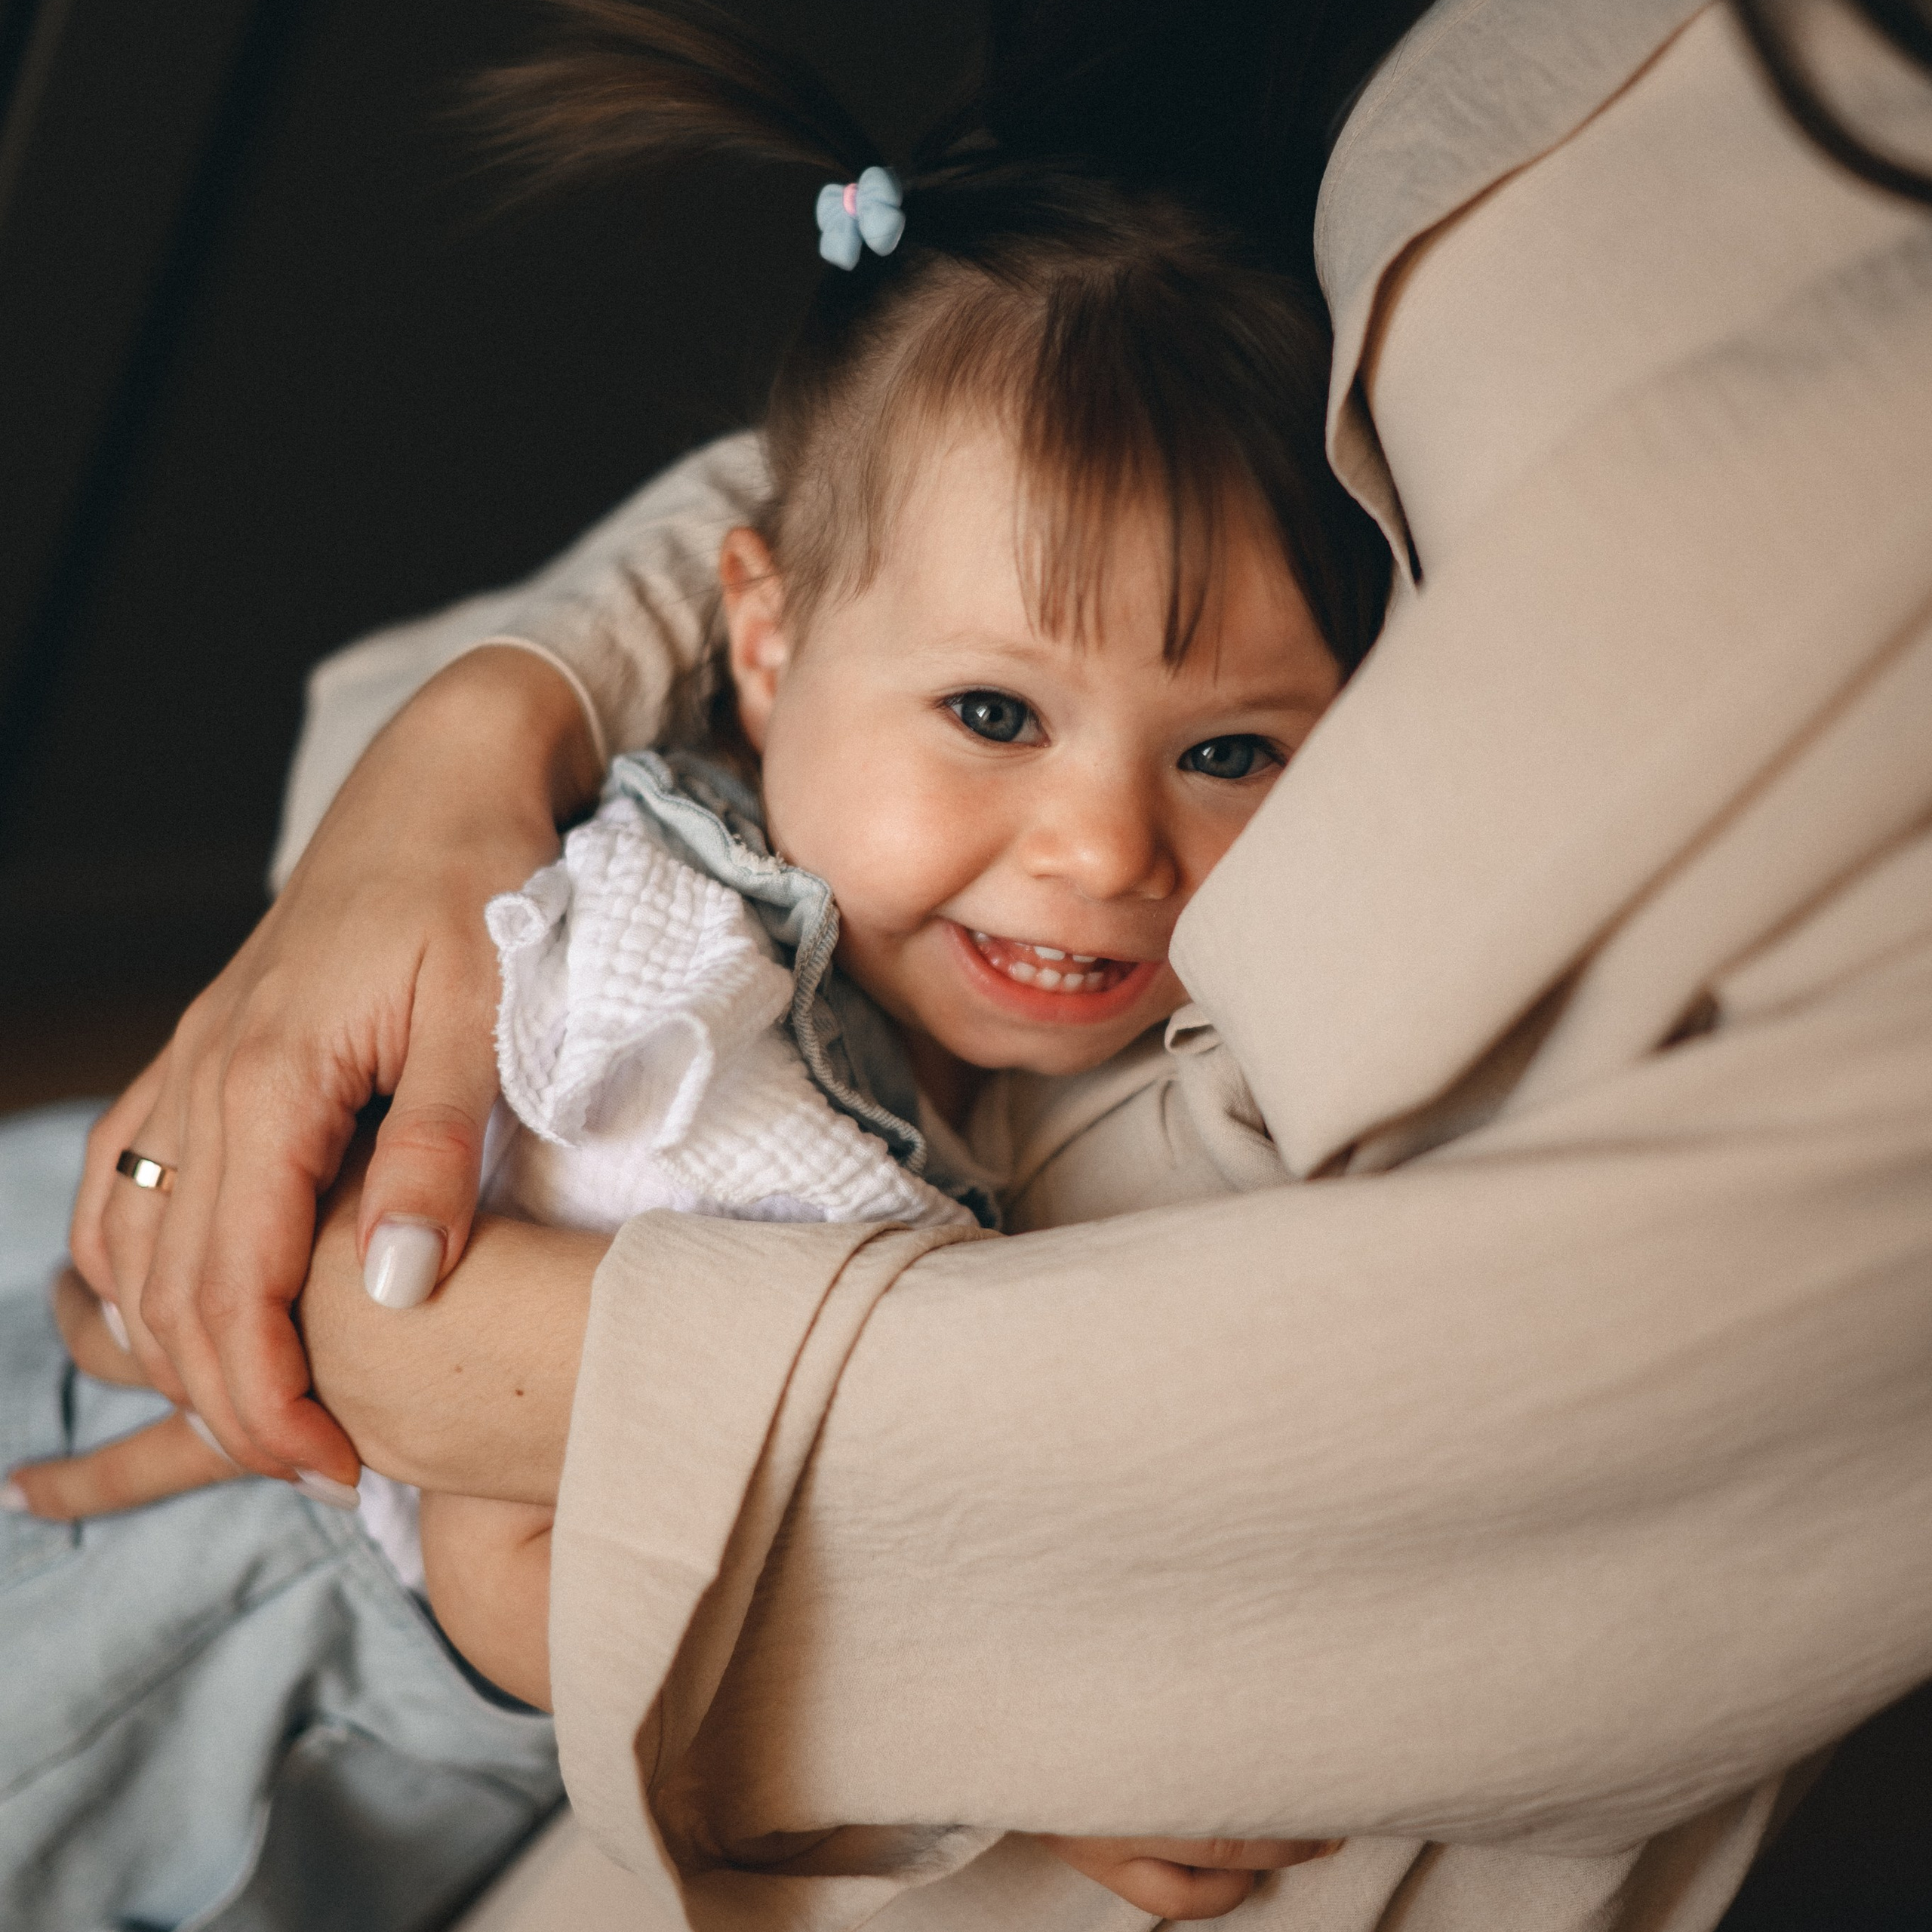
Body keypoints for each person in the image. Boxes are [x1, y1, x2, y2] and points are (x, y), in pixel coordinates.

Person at [23, 1, 1932, 1928]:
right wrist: (982, 1733)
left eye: (1227, 753)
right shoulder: (651, 994)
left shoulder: (967, 1017)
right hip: (177, 1592)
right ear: (755, 649)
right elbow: (487, 1534)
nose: (1105, 851)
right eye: (992, 715)